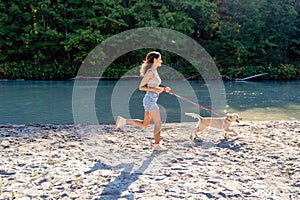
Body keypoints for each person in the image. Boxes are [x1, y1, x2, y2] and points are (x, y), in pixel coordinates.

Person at [115, 51, 171, 151]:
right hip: (150, 101)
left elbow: (153, 86)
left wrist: (163, 89)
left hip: (151, 99)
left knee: (145, 124)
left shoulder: (154, 71)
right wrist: (156, 90)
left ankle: (123, 121)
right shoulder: (150, 72)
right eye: (160, 58)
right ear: (155, 60)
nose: (161, 61)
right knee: (158, 123)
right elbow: (141, 87)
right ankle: (157, 146)